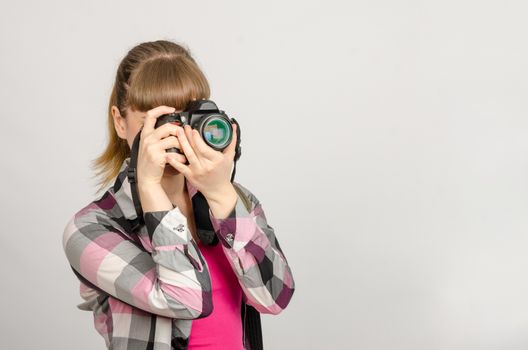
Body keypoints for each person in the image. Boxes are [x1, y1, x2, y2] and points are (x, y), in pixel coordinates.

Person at [61, 40, 295, 350]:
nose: (174, 136)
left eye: (185, 120)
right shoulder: (91, 229)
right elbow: (186, 300)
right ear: (121, 122)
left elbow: (275, 298)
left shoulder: (231, 199)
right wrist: (149, 189)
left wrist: (221, 194)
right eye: (158, 123)